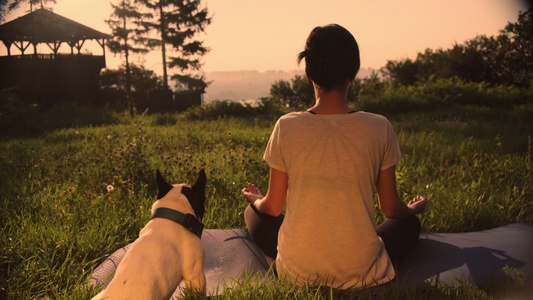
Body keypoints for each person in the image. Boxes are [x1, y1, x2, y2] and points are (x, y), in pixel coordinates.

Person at [242, 24, 427, 290]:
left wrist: (257, 200)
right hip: (364, 271)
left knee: (252, 214)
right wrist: (411, 209)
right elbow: (390, 209)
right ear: (353, 72)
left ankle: (293, 262)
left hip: (299, 274)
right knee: (409, 226)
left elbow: (272, 208)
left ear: (307, 72)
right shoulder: (379, 126)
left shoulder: (287, 126)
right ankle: (356, 256)